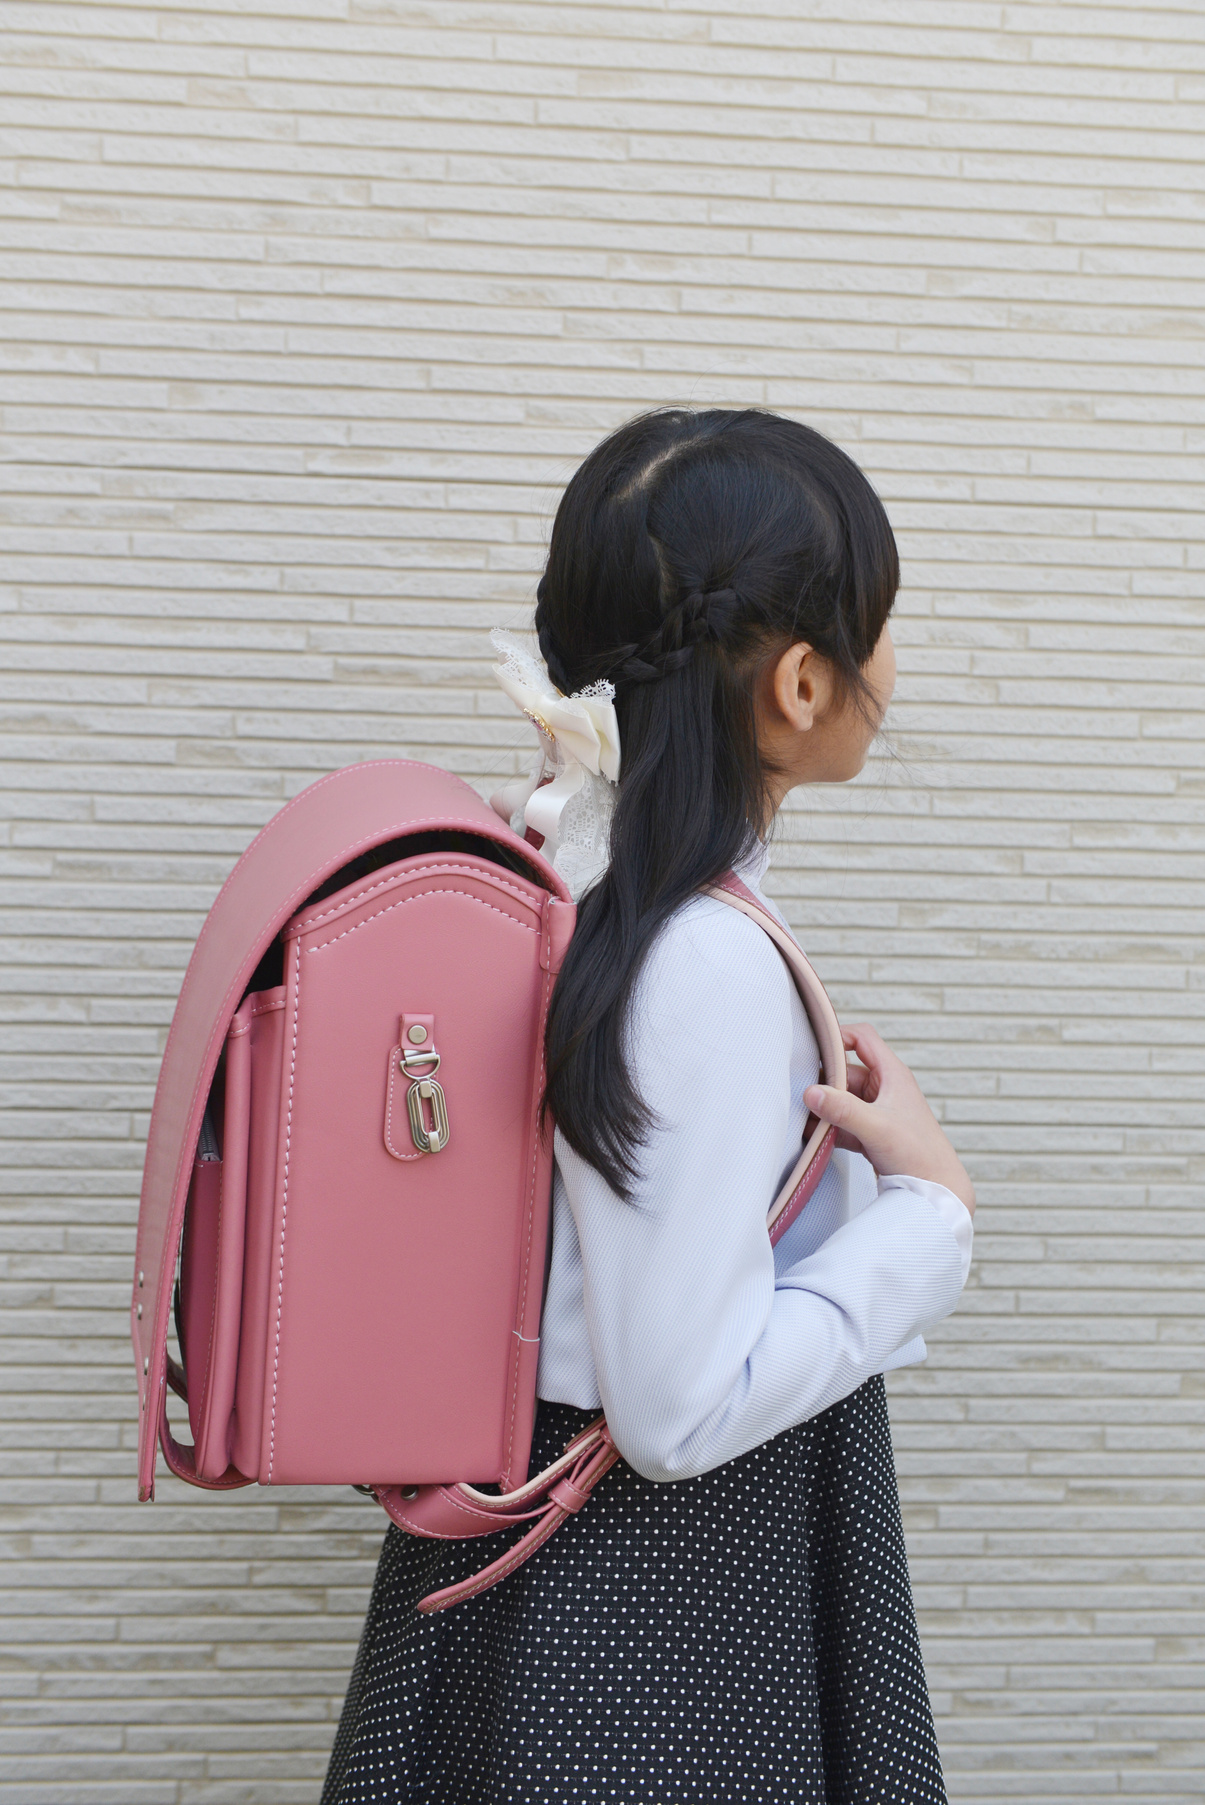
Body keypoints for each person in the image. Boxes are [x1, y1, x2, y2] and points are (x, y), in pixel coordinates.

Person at [323, 407, 975, 1805]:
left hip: (525, 1572)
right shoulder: (698, 953)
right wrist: (926, 1213)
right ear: (800, 683)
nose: (894, 664)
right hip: (651, 1601)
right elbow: (678, 1405)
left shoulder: (554, 868)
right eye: (882, 624)